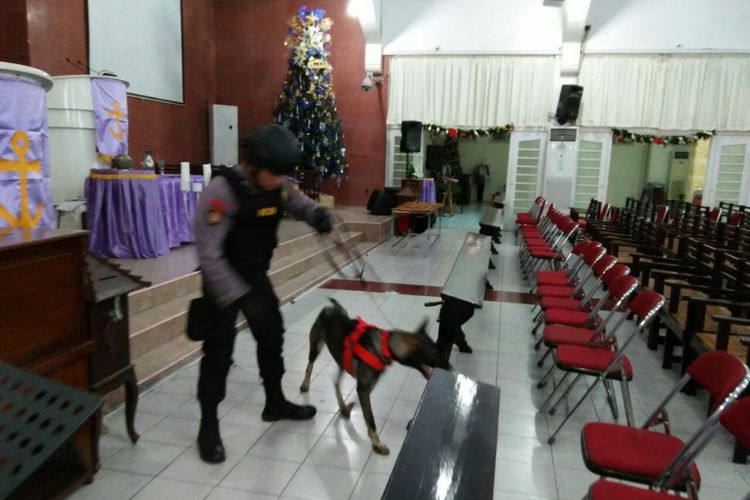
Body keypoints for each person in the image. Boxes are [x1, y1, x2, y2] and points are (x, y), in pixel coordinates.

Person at [193, 123, 333, 464]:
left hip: (254, 276)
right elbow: (208, 254)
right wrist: (236, 295)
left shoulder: (278, 183)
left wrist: (317, 215)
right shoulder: (221, 192)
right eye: (275, 175)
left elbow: (298, 202)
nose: (281, 181)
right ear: (254, 167)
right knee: (218, 354)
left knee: (272, 336)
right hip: (220, 281)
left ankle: (275, 403)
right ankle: (208, 427)